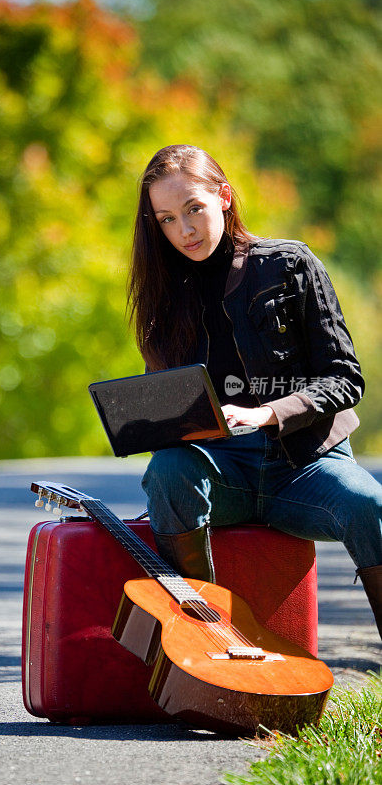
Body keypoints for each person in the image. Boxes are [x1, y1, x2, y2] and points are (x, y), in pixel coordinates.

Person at [127, 144, 382, 640]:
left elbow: (345, 377)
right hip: (222, 472)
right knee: (168, 471)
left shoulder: (289, 265)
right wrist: (144, 420)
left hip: (305, 466)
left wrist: (267, 412)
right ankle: (205, 644)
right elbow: (169, 403)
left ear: (223, 197)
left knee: (369, 504)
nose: (185, 230)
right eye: (166, 219)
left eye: (194, 209)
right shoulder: (162, 295)